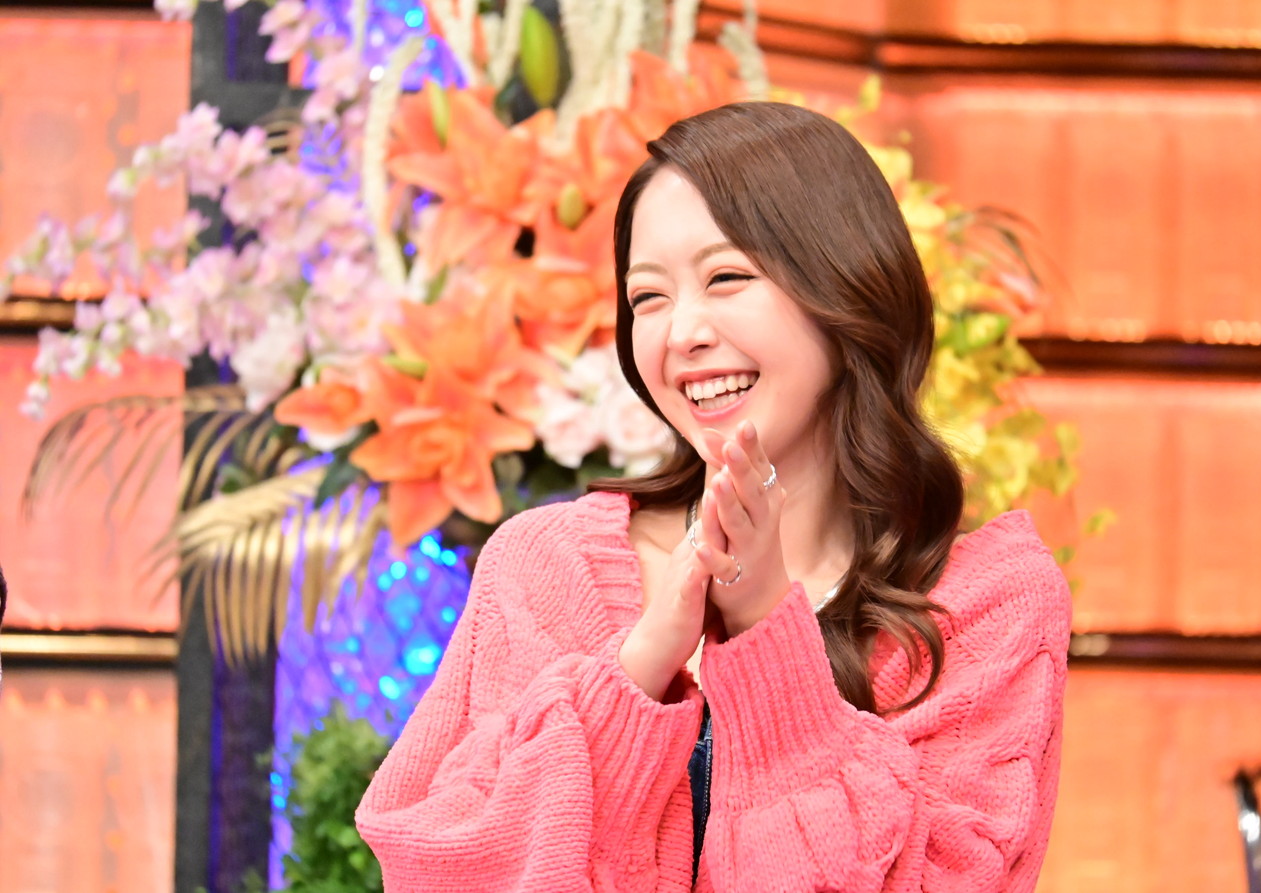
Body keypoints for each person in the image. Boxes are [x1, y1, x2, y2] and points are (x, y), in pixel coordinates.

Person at [356, 101, 1071, 892]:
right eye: (648, 298)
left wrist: (766, 629)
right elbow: (445, 868)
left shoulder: (984, 607)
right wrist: (638, 667)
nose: (681, 333)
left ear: (850, 290)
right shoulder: (547, 570)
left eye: (726, 278)